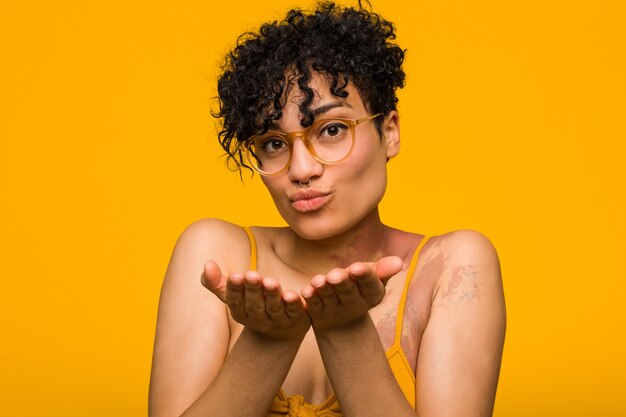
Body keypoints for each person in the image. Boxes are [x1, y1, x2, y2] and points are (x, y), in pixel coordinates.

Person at [148, 2, 506, 416]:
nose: (301, 170)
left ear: (389, 133)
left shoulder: (452, 267)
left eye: (331, 130)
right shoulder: (216, 257)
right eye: (274, 143)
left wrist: (346, 330)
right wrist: (269, 340)